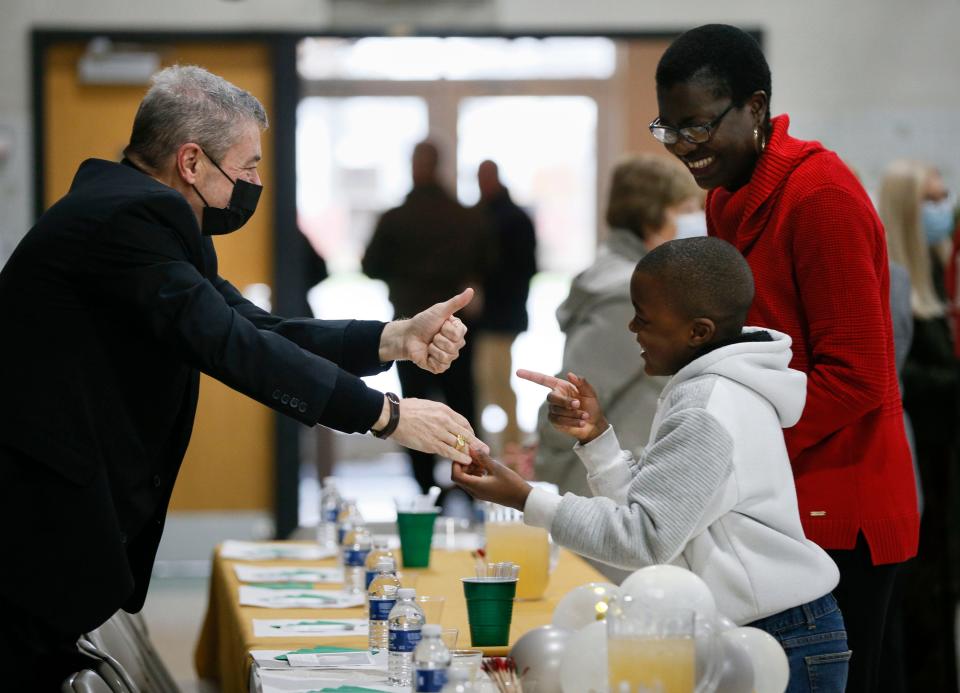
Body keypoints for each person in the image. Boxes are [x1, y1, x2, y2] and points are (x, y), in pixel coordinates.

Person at [0, 65, 482, 691]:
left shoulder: (137, 214)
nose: (256, 183)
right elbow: (231, 346)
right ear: (191, 162)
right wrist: (384, 415)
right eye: (248, 166)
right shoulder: (130, 222)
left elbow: (259, 327)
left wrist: (394, 339)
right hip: (33, 525)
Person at [648, 24, 918, 692]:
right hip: (783, 498)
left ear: (757, 108)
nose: (687, 149)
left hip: (844, 503)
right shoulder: (726, 196)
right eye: (670, 129)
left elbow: (858, 376)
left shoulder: (820, 197)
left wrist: (739, 437)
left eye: (701, 127)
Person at [454, 237, 848, 692]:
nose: (632, 327)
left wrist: (525, 498)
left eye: (644, 317)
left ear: (697, 332)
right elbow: (654, 516)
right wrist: (598, 438)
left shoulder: (708, 406)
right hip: (765, 626)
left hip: (781, 636)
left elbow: (645, 539)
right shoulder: (706, 390)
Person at [534, 154, 700, 498]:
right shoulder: (631, 291)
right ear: (652, 217)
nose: (694, 220)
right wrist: (544, 460)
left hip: (613, 473)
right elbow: (575, 394)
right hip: (607, 481)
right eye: (684, 210)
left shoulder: (621, 275)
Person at [363, 140, 490, 494]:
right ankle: (470, 482)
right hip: (457, 326)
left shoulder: (396, 219)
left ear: (415, 165)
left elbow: (369, 264)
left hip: (409, 324)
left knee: (413, 408)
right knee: (463, 404)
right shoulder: (464, 216)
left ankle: (423, 488)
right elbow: (489, 262)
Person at [877, 159, 960, 693]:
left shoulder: (931, 269)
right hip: (919, 461)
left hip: (943, 461)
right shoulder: (893, 281)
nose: (942, 210)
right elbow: (904, 378)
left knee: (941, 599)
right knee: (920, 605)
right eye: (931, 200)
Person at [472, 159, 537, 452]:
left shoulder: (506, 219)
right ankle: (503, 447)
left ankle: (509, 448)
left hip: (499, 316)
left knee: (494, 382)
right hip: (496, 316)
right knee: (491, 383)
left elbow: (519, 270)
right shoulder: (494, 216)